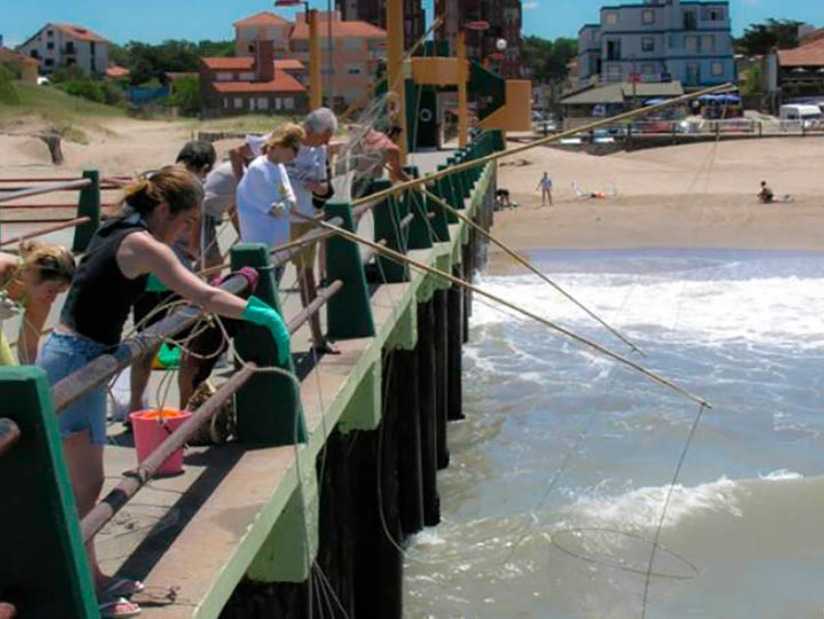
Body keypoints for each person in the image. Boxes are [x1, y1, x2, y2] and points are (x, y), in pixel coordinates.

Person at [37, 166, 290, 618]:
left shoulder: (120, 227)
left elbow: (156, 281)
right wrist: (261, 313)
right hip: (74, 361)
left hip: (82, 357)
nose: (183, 232)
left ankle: (91, 579)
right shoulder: (139, 243)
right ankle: (79, 587)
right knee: (84, 483)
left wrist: (228, 284)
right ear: (161, 209)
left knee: (85, 483)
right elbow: (200, 296)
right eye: (183, 221)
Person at [129, 142, 217, 419]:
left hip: (144, 280)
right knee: (191, 349)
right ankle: (186, 412)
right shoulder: (193, 191)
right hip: (177, 282)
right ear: (204, 168)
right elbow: (194, 247)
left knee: (144, 348)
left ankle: (134, 410)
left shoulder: (154, 181)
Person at [285, 108, 338, 354]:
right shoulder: (286, 139)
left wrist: (319, 187)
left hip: (305, 217)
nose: (327, 143)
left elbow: (325, 186)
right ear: (315, 131)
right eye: (326, 136)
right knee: (267, 276)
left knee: (307, 278)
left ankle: (317, 337)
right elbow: (242, 154)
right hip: (276, 218)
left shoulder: (320, 151)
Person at [236, 124, 304, 279]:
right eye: (295, 149)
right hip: (261, 249)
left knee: (274, 294)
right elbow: (277, 209)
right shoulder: (258, 169)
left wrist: (288, 203)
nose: (296, 155)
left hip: (278, 246)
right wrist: (287, 203)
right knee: (263, 296)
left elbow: (290, 199)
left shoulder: (278, 167)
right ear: (280, 144)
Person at [0, 242, 75, 365]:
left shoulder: (41, 300)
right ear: (35, 274)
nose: (52, 299)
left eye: (59, 293)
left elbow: (28, 348)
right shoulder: (3, 268)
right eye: (51, 290)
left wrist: (30, 377)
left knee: (9, 376)